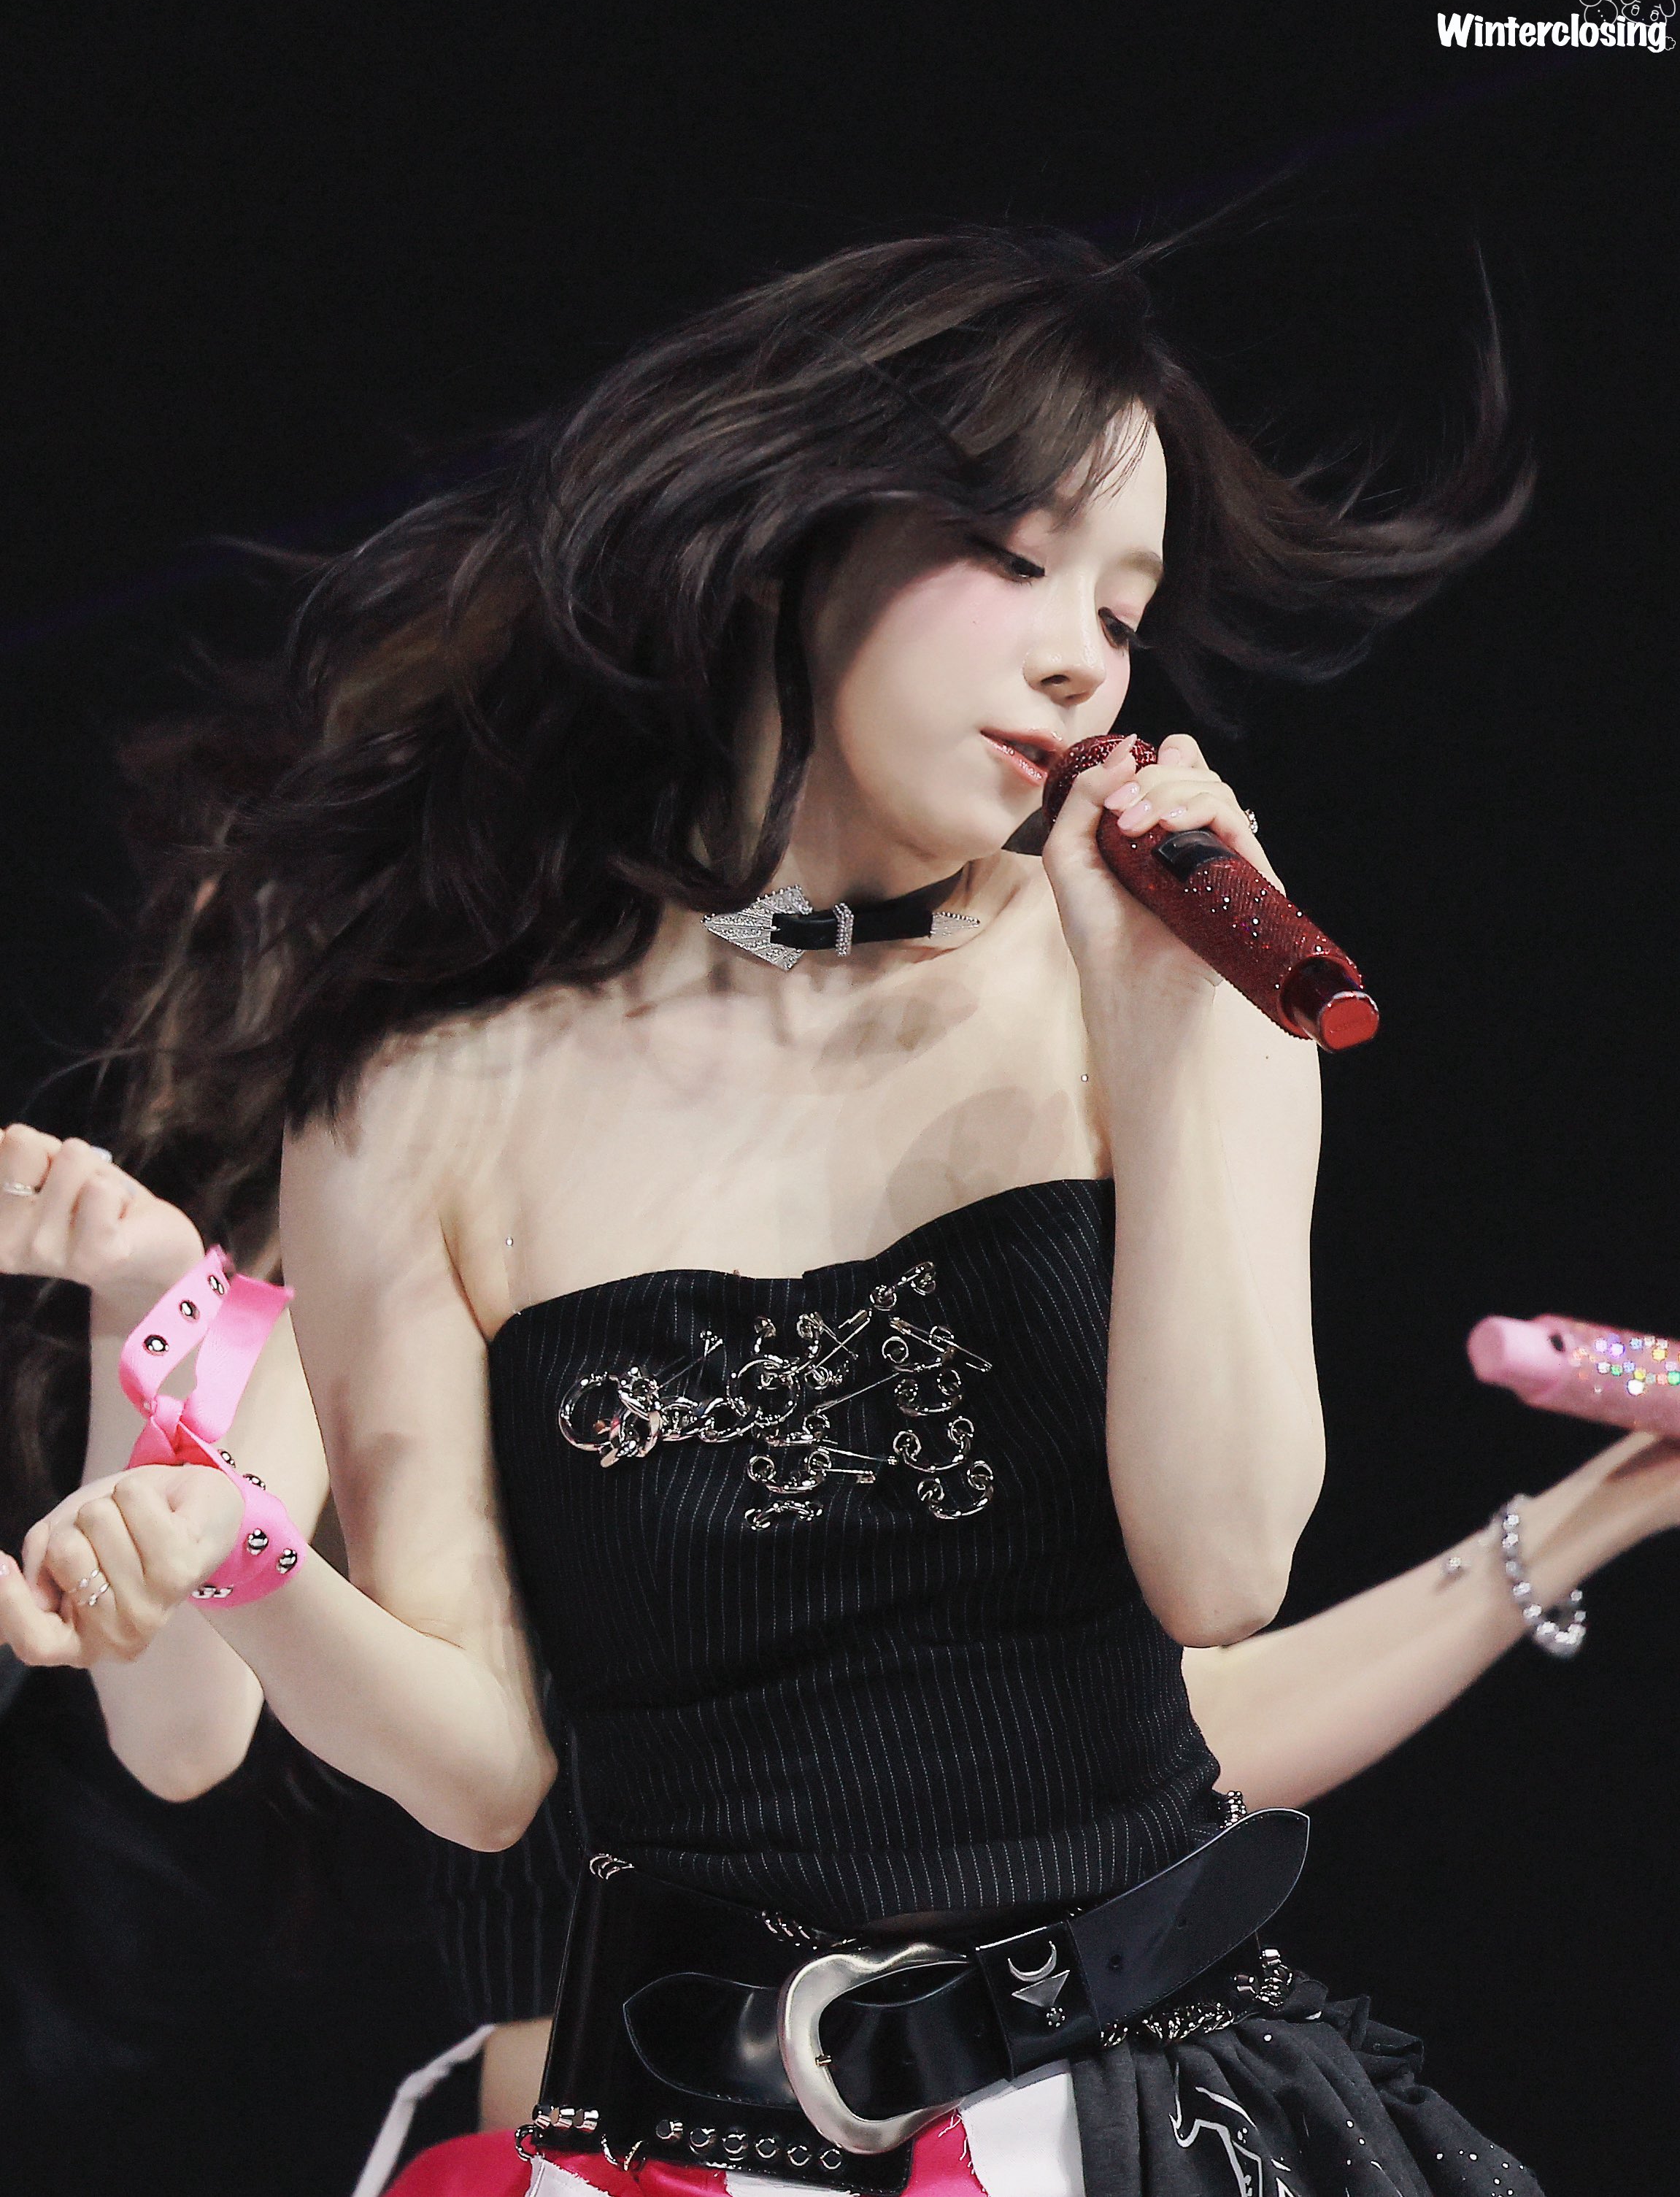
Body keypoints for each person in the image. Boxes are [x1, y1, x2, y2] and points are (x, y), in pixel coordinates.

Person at [0, 226, 1563, 2193]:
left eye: (1125, 604)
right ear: (793, 546)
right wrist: (237, 1551)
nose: (1083, 654)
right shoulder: (422, 1101)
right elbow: (480, 1773)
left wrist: (1171, 1044)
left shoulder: (1169, 983)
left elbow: (1225, 1566)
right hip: (690, 2142)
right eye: (1016, 557)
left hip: (1147, 2123)